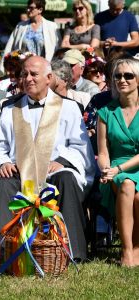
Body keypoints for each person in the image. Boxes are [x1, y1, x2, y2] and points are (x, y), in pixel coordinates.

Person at [0, 56, 95, 261]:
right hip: (19, 172)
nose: (28, 78)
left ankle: (73, 251)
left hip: (54, 172)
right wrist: (3, 161)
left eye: (34, 74)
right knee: (1, 181)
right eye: (24, 74)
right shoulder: (10, 109)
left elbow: (80, 146)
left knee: (67, 179)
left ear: (49, 77)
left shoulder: (68, 107)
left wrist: (64, 161)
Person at [97, 57, 139, 267]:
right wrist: (105, 169)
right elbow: (103, 151)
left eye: (128, 75)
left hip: (126, 166)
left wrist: (119, 168)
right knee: (127, 183)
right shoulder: (106, 112)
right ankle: (126, 250)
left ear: (138, 80)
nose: (122, 80)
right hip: (117, 168)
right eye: (117, 76)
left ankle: (137, 247)